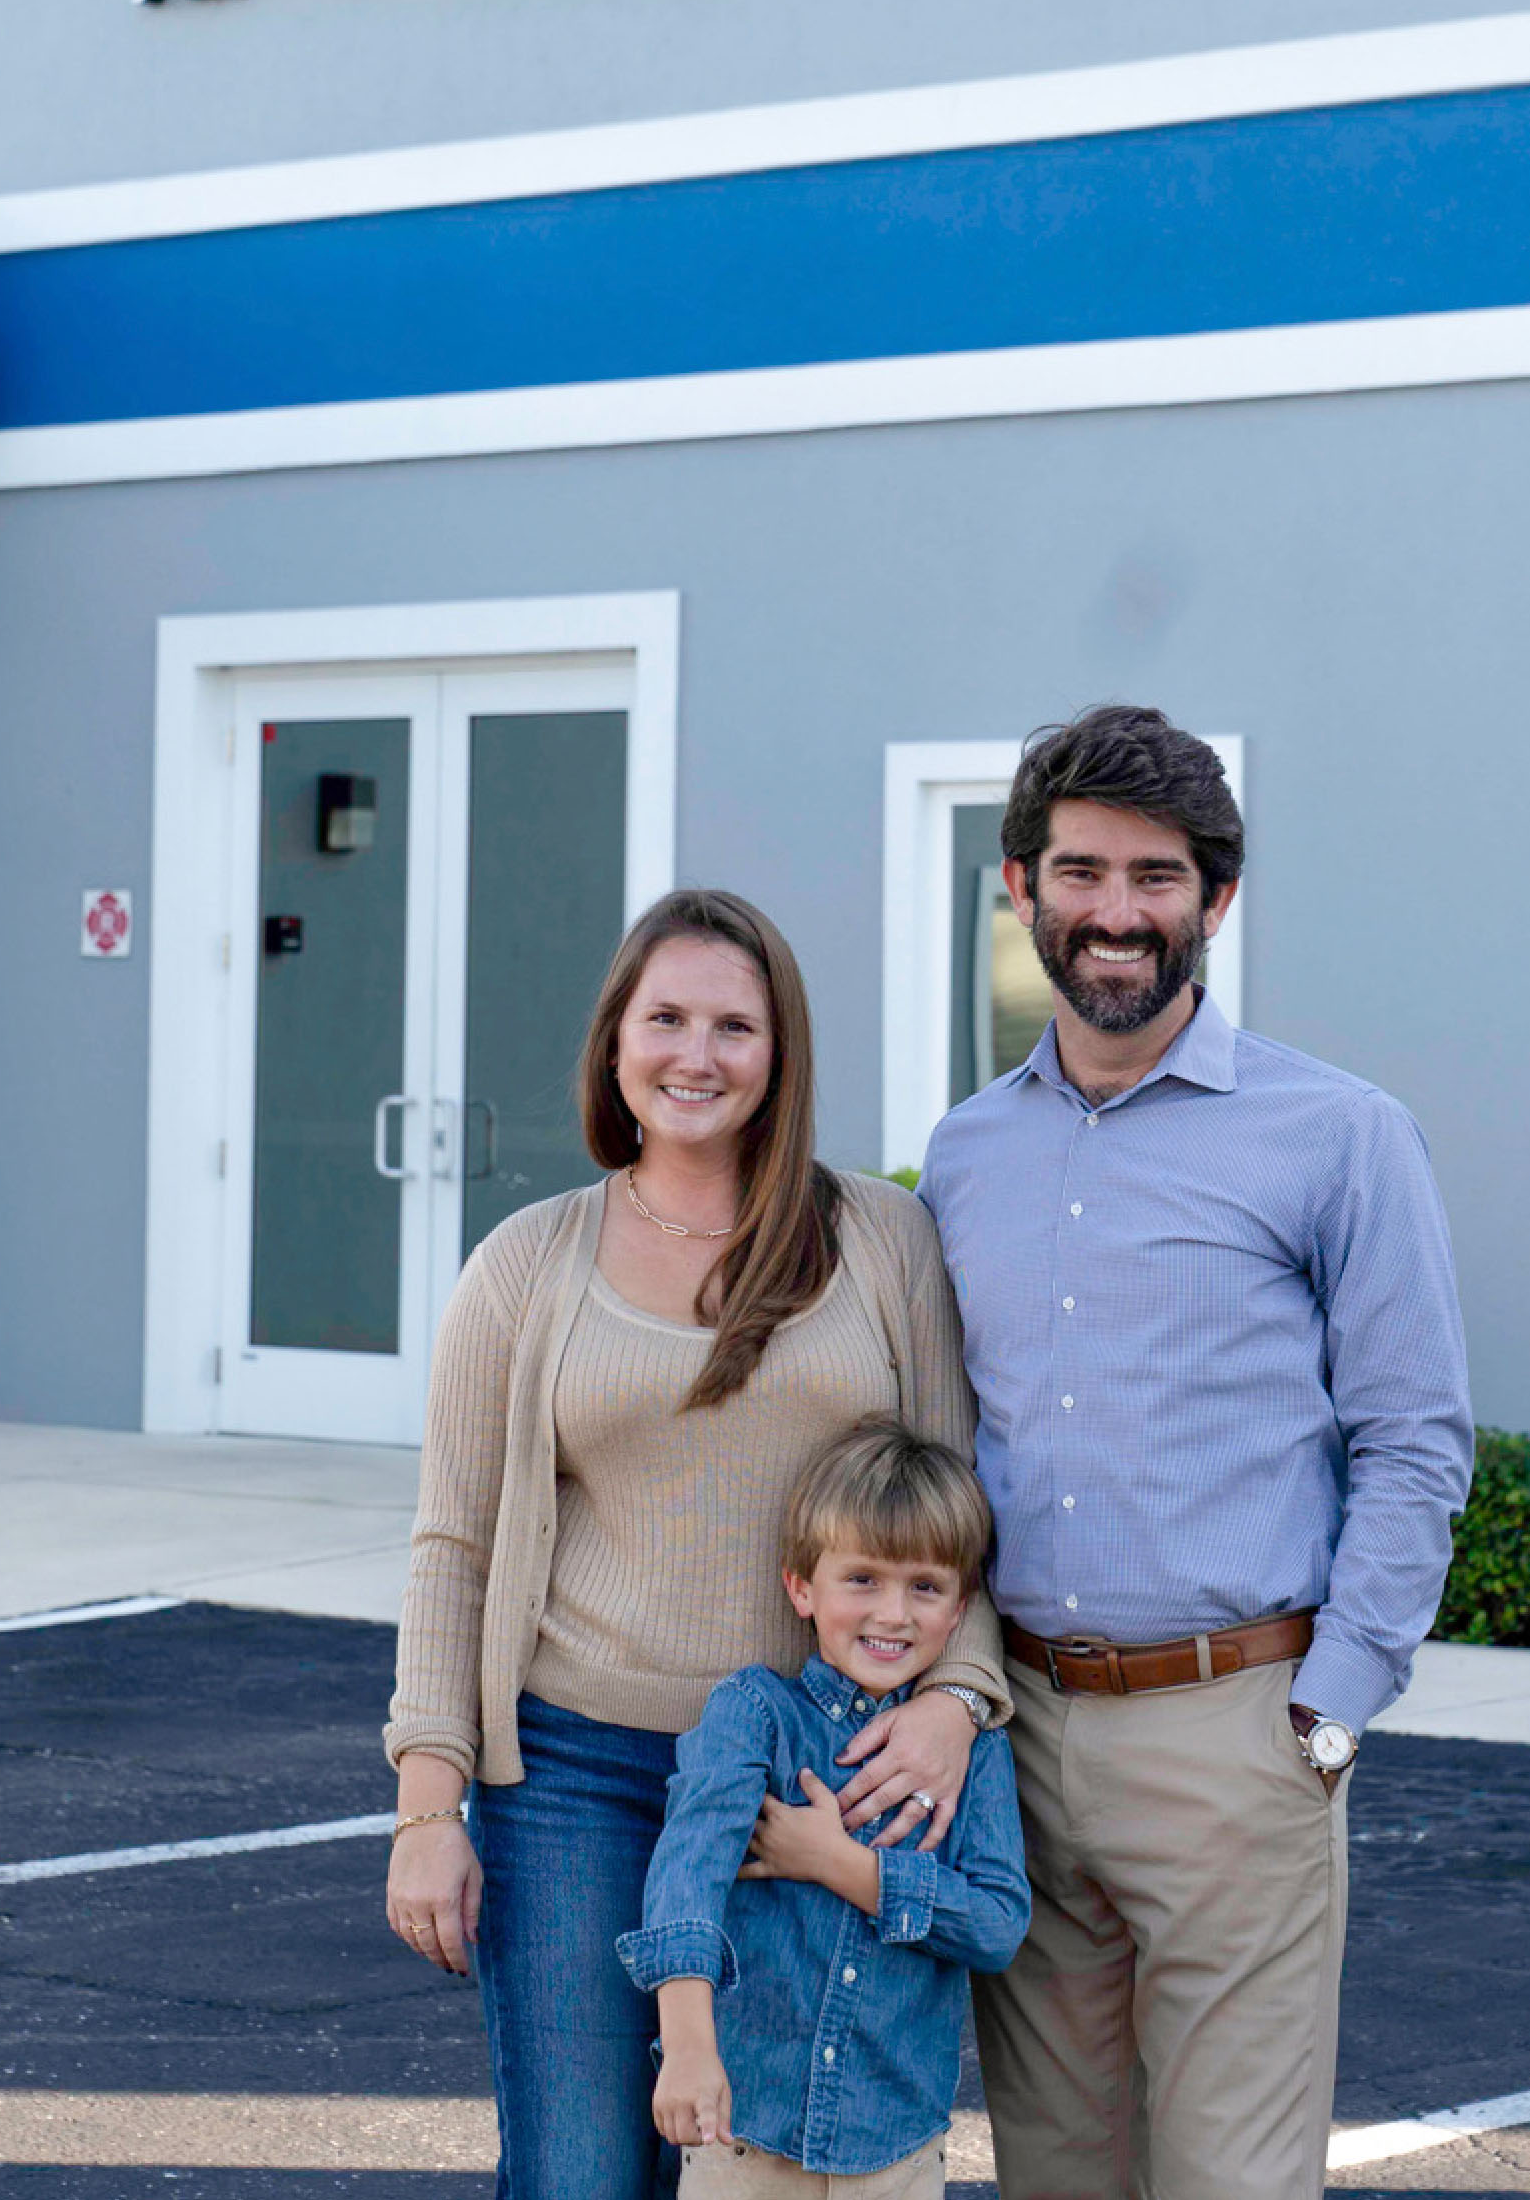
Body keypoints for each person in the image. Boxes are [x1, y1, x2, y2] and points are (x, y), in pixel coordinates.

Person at [921, 704, 1474, 2200]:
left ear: (1214, 899)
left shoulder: (1338, 1136)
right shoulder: (965, 1153)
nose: (1116, 913)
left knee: (1232, 2180)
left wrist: (1334, 1708)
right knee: (1058, 2173)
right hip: (1017, 1739)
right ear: (1019, 888)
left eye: (1156, 877)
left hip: (1238, 1734)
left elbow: (1414, 1438)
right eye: (1081, 870)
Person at [385, 887, 1008, 2200]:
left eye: (735, 1025)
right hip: (572, 1778)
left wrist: (958, 1698)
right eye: (665, 1018)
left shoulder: (881, 1242)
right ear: (615, 1043)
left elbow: (961, 1504)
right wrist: (426, 1808)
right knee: (581, 2172)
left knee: (774, 2164)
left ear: (779, 1055)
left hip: (816, 1778)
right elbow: (454, 1547)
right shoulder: (522, 1267)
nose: (697, 1055)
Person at [617, 1417, 1031, 2196]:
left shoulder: (971, 1753)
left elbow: (997, 1923)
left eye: (925, 1587)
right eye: (862, 1579)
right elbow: (688, 1873)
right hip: (742, 2129)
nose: (893, 1614)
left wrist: (844, 1867)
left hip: (894, 2142)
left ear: (959, 1605)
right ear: (801, 1587)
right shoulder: (754, 1714)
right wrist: (688, 2047)